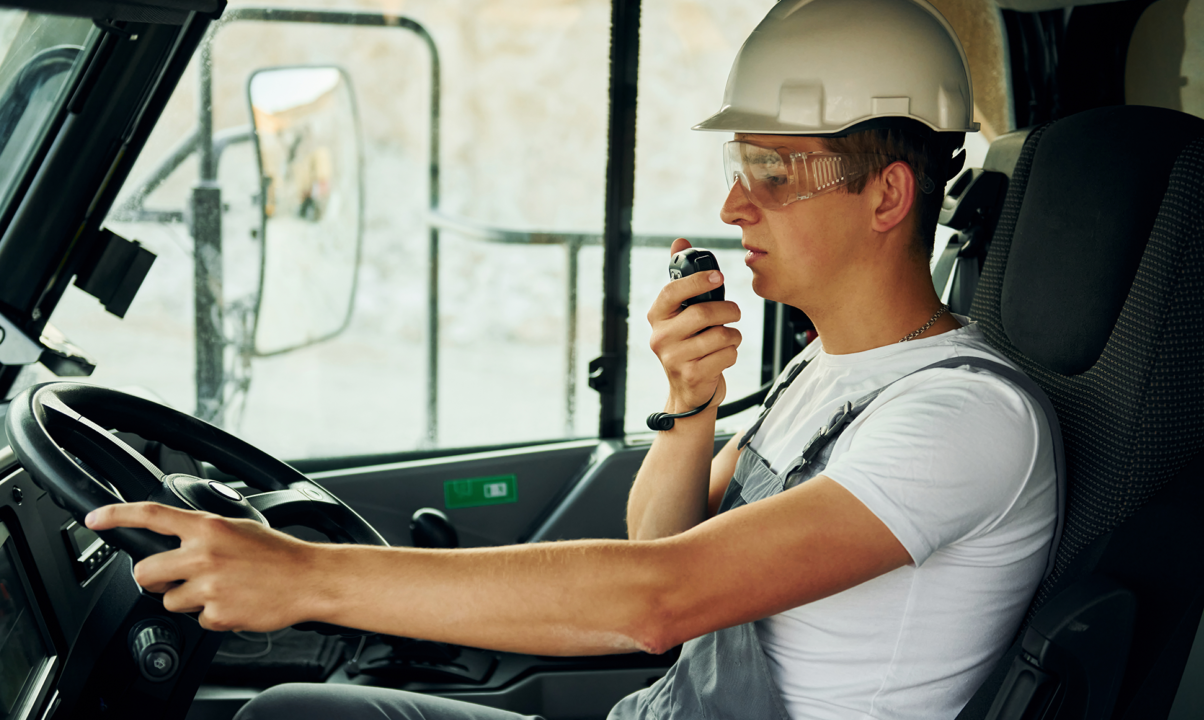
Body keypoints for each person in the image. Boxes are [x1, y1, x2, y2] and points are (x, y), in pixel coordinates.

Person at [86, 0, 1061, 717]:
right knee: (296, 715)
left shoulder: (964, 419)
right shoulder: (831, 371)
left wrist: (305, 577)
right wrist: (688, 405)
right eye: (739, 171)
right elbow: (656, 542)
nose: (732, 209)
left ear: (887, 197)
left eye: (768, 174)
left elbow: (657, 600)